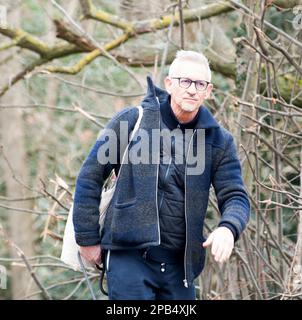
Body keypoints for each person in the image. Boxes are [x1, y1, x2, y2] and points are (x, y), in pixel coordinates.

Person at [73, 50, 250, 300]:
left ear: (208, 91)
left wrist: (228, 228)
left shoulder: (219, 142)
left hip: (180, 269)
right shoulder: (132, 121)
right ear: (169, 84)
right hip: (129, 258)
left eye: (200, 84)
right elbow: (90, 177)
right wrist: (87, 238)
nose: (192, 89)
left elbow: (236, 197)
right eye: (185, 81)